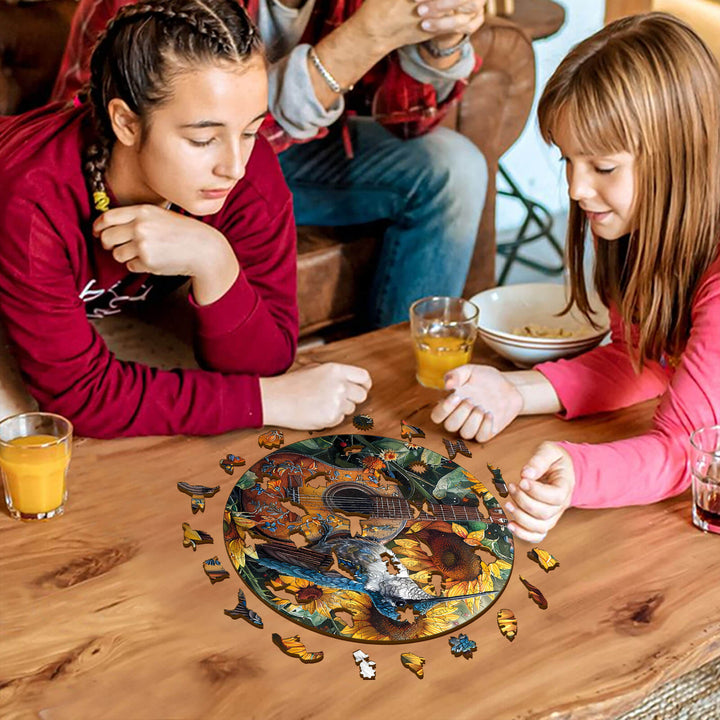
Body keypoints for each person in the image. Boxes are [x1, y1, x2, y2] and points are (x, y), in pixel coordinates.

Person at [0, 0, 371, 438]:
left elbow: (268, 358)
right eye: (203, 139)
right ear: (126, 123)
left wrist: (214, 260)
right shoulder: (33, 199)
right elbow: (82, 398)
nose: (234, 165)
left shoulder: (247, 170)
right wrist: (271, 400)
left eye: (250, 131)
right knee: (22, 434)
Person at [431, 12, 720, 542]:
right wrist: (515, 391)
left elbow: (689, 448)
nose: (574, 189)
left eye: (603, 167)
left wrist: (578, 472)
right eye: (568, 160)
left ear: (682, 157)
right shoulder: (642, 231)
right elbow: (643, 358)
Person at [51, 0, 489, 328]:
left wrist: (440, 41)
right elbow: (109, 136)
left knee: (454, 167)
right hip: (152, 164)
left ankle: (402, 373)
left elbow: (411, 123)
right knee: (226, 149)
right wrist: (362, 39)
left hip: (287, 148)